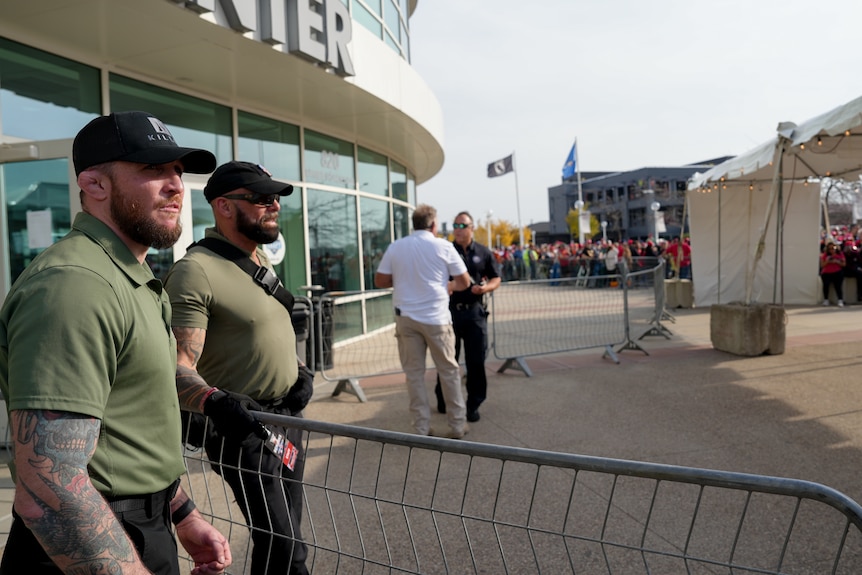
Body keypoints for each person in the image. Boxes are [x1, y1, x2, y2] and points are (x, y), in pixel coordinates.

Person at [0, 111, 231, 574]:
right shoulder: (76, 284)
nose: (175, 186)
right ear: (94, 183)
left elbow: (130, 423)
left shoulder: (131, 276)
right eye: (152, 169)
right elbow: (51, 488)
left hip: (137, 527)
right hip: (86, 548)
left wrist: (183, 516)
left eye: (178, 172)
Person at [164, 161, 315, 575]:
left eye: (276, 199)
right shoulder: (194, 272)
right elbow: (177, 367)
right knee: (286, 545)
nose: (274, 207)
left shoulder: (257, 256)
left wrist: (299, 372)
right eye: (262, 199)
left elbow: (262, 327)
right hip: (244, 429)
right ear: (224, 207)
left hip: (288, 419)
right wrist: (219, 403)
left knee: (285, 539)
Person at [374, 204, 472, 439]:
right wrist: (449, 286)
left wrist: (402, 281)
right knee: (448, 371)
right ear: (434, 225)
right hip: (437, 318)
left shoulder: (397, 247)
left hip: (406, 318)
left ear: (414, 224)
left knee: (414, 375)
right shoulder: (444, 246)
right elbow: (465, 281)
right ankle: (457, 424)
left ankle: (420, 427)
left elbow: (380, 280)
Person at [433, 212, 501, 423]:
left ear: (472, 227)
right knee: (447, 360)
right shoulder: (445, 250)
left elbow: (496, 277)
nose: (458, 228)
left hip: (474, 313)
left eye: (463, 225)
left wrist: (486, 288)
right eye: (455, 225)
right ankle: (444, 400)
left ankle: (474, 404)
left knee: (476, 361)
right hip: (450, 312)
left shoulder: (482, 251)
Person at [820, 239, 846, 307]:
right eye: (830, 249)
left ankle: (840, 300)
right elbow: (822, 265)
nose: (832, 250)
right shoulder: (825, 255)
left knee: (838, 286)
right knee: (826, 285)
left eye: (833, 248)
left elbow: (844, 264)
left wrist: (837, 261)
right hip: (827, 273)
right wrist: (828, 261)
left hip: (837, 272)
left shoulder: (840, 254)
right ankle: (826, 300)